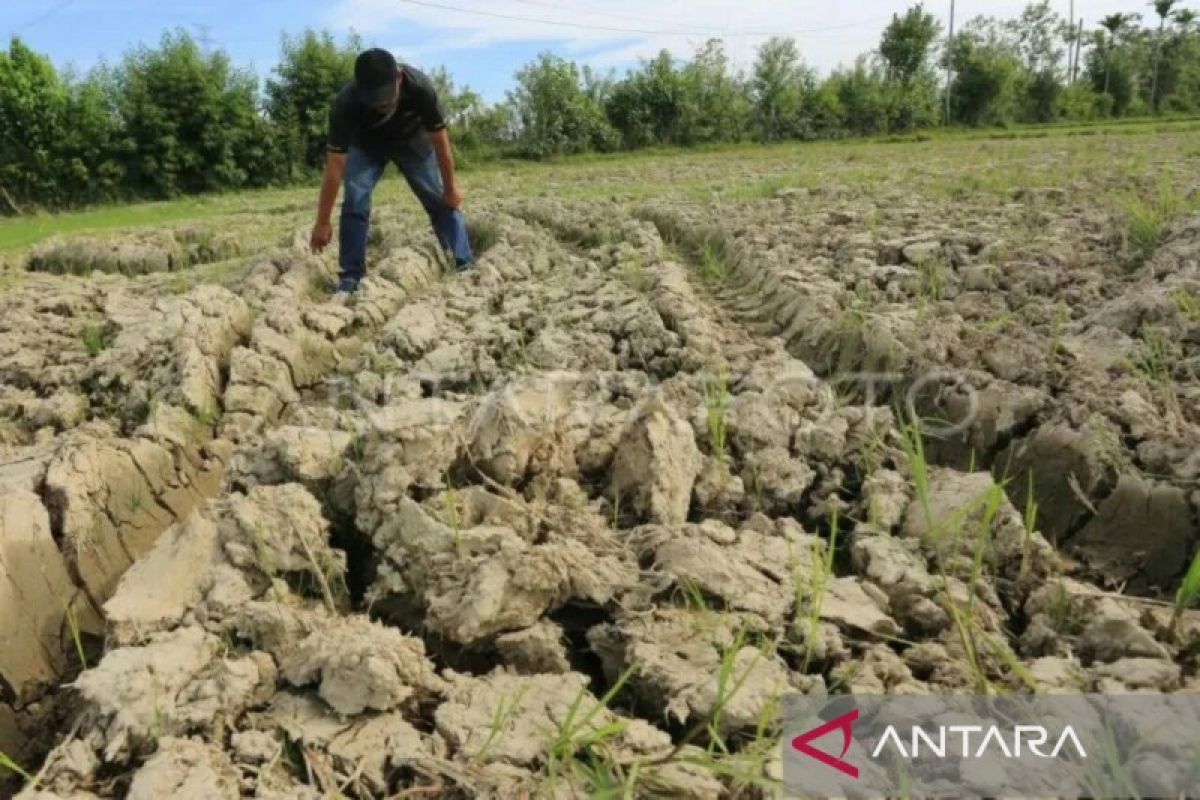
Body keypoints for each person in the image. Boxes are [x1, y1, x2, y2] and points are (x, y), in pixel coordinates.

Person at [309, 48, 472, 292]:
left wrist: (450, 189)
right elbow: (334, 167)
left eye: (386, 97)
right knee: (355, 200)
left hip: (412, 139)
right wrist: (322, 222)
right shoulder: (346, 103)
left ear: (398, 78)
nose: (381, 104)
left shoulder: (420, 87)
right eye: (373, 100)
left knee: (438, 199)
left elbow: (441, 143)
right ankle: (351, 277)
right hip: (367, 146)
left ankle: (462, 261)